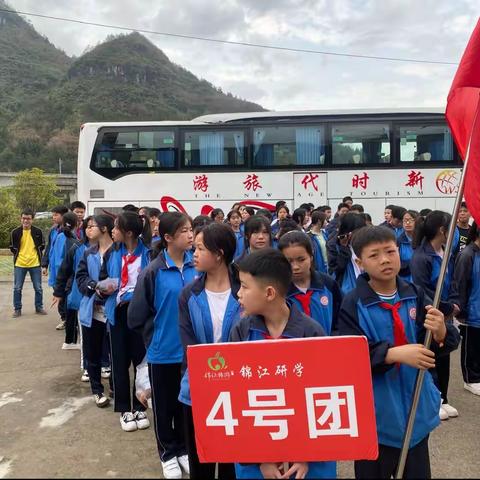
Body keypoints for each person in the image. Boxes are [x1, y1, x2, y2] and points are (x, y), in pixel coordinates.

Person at [338, 226, 460, 479]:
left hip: (415, 410)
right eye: (374, 255)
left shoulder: (413, 294)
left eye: (390, 251)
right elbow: (346, 356)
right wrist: (392, 354)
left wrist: (441, 333)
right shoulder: (352, 303)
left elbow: (441, 342)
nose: (384, 260)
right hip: (376, 418)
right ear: (359, 262)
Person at [229, 248, 336, 479]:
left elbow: (323, 397)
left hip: (306, 457)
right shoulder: (241, 331)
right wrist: (262, 459)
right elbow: (236, 397)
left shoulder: (312, 332)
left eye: (245, 287)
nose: (238, 293)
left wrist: (305, 454)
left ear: (269, 293)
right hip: (256, 451)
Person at [128, 212, 195, 479]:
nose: (190, 235)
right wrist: (153, 338)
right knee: (164, 406)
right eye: (183, 231)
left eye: (191, 230)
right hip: (162, 353)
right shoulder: (153, 271)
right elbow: (136, 316)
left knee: (184, 405)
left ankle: (182, 449)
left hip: (190, 354)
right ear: (167, 237)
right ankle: (167, 453)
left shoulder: (195, 266)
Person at [178, 223, 240, 479]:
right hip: (197, 389)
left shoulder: (246, 291)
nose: (193, 253)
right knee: (200, 460)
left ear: (219, 253)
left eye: (200, 248)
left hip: (238, 389)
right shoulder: (189, 295)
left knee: (232, 462)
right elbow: (188, 344)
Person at [102, 212, 151, 432]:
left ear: (128, 232)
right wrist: (104, 287)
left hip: (141, 315)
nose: (112, 231)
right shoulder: (113, 253)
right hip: (118, 314)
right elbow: (103, 279)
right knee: (120, 362)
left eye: (116, 228)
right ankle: (124, 409)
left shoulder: (149, 254)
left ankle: (140, 405)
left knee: (141, 361)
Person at [410, 211, 460, 421]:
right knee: (430, 356)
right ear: (442, 230)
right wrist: (445, 308)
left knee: (444, 354)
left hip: (446, 313)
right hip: (430, 313)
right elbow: (422, 290)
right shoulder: (421, 257)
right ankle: (433, 398)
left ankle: (444, 397)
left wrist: (455, 305)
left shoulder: (446, 253)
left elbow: (454, 282)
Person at [76, 214, 115, 408]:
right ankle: (97, 390)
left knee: (117, 352)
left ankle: (116, 387)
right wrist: (93, 285)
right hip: (92, 310)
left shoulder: (118, 252)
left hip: (114, 309)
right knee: (92, 352)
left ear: (105, 228)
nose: (88, 229)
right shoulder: (88, 253)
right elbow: (80, 277)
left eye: (92, 226)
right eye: (87, 226)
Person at [279, 231, 342, 335]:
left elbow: (341, 319)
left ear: (311, 257)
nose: (295, 267)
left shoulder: (328, 284)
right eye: (289, 261)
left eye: (301, 259)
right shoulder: (279, 291)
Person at [452, 223, 480, 396]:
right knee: (472, 347)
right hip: (472, 310)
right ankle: (471, 379)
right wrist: (461, 311)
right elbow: (460, 284)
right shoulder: (468, 254)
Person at [51, 212, 82, 349]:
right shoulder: (71, 240)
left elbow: (54, 256)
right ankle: (70, 341)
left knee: (68, 308)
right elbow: (67, 262)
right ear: (78, 224)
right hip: (67, 278)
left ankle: (70, 340)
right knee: (71, 310)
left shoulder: (60, 236)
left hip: (60, 275)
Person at [9, 208, 46, 317]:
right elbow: (11, 247)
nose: (26, 221)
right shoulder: (15, 232)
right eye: (24, 218)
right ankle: (17, 309)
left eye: (28, 219)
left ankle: (39, 307)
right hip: (20, 264)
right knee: (17, 288)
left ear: (32, 220)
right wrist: (19, 255)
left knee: (38, 288)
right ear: (21, 219)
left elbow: (42, 245)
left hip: (35, 264)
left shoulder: (38, 231)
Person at [41, 205, 69, 330]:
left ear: (63, 216)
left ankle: (70, 319)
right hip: (54, 268)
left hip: (65, 268)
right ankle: (64, 318)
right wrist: (44, 264)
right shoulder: (53, 230)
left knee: (66, 295)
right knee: (58, 293)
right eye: (53, 215)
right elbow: (49, 248)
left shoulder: (69, 231)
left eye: (56, 215)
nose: (53, 217)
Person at [327, 213, 366, 294]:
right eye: (357, 232)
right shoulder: (334, 245)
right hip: (346, 290)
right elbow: (335, 270)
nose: (360, 234)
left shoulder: (365, 243)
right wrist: (343, 248)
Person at [398, 210, 418, 282]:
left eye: (411, 220)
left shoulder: (423, 241)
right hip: (404, 280)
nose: (408, 223)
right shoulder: (398, 242)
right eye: (405, 220)